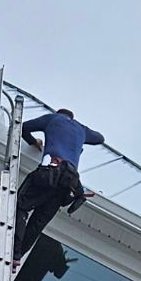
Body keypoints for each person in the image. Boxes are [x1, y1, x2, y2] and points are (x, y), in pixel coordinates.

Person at [13, 107, 102, 263]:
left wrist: (33, 142)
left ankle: (13, 251)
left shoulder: (52, 119)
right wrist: (81, 131)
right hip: (68, 182)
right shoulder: (81, 129)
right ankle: (17, 257)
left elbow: (24, 127)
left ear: (58, 114)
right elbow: (100, 138)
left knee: (21, 205)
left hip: (50, 171)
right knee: (38, 222)